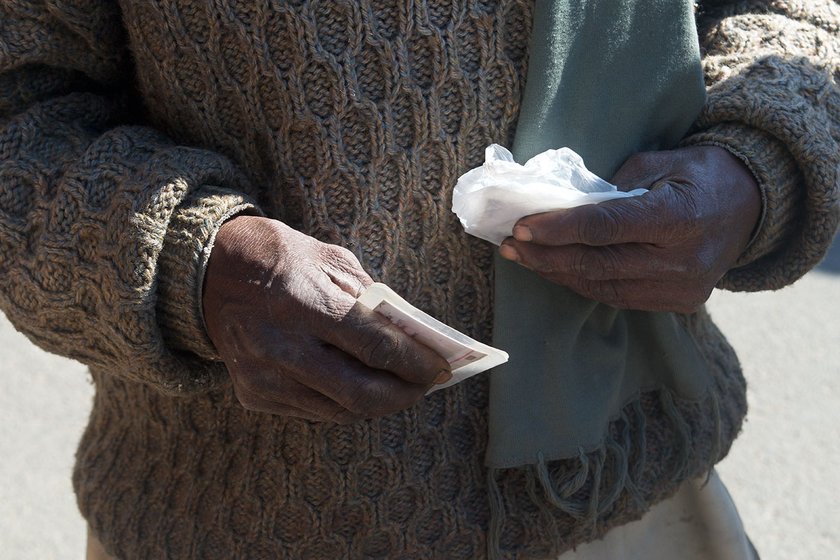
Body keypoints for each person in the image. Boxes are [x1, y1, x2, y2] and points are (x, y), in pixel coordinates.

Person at [0, 1, 837, 559]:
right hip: (247, 521)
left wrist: (759, 166)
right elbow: (21, 113)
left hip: (638, 497)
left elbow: (791, 15)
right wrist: (196, 260)